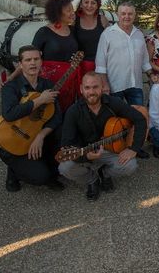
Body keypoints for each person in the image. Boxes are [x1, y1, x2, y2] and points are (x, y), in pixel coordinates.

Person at [59, 72, 147, 201]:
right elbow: (66, 143)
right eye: (87, 88)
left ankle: (105, 173)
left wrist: (134, 148)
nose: (91, 92)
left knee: (130, 166)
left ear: (102, 88)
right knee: (65, 167)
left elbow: (140, 119)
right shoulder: (73, 111)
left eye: (95, 87)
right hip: (85, 150)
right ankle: (92, 180)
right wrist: (86, 155)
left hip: (110, 149)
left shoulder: (113, 102)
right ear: (81, 89)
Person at [0, 45, 64, 192]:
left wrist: (41, 136)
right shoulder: (10, 87)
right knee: (40, 178)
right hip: (17, 137)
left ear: (41, 62)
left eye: (36, 59)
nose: (33, 63)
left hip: (37, 134)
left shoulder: (47, 85)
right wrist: (39, 100)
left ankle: (50, 170)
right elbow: (9, 114)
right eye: (28, 60)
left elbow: (57, 116)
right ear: (20, 65)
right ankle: (13, 170)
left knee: (61, 132)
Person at [96, 2, 159, 105]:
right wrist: (104, 84)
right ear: (117, 14)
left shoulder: (139, 34)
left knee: (138, 117)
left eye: (130, 14)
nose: (127, 16)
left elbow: (144, 61)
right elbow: (100, 63)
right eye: (123, 13)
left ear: (134, 16)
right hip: (114, 87)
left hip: (135, 86)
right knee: (116, 120)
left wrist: (151, 75)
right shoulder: (107, 34)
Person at [29, 0, 80, 114]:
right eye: (68, 10)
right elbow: (30, 57)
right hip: (49, 83)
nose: (73, 13)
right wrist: (12, 77)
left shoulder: (73, 31)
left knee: (67, 110)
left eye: (73, 9)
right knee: (49, 113)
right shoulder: (44, 32)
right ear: (57, 13)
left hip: (69, 81)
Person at [74, 0, 109, 77]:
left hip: (100, 67)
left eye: (93, 3)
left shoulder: (103, 20)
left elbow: (110, 43)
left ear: (97, 5)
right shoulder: (74, 20)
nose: (89, 6)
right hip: (79, 67)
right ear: (81, 4)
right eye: (86, 2)